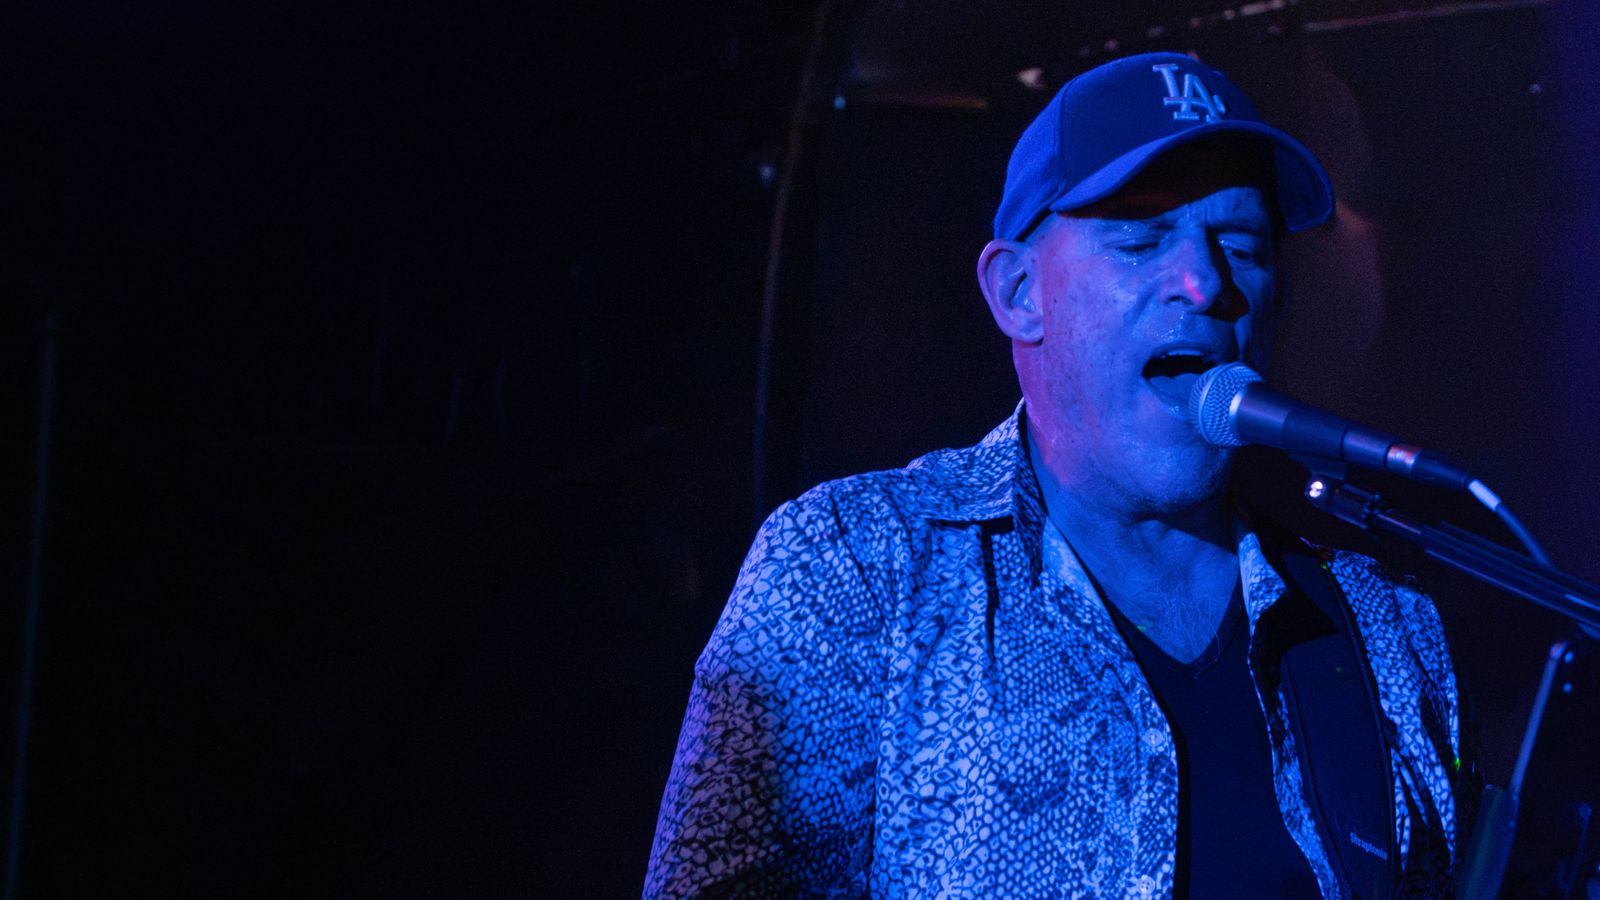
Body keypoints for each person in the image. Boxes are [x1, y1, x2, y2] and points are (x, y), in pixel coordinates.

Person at [645, 52, 1475, 898]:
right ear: (1018, 293)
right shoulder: (857, 569)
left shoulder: (1381, 617)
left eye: (1243, 246)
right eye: (1141, 238)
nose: (1205, 284)